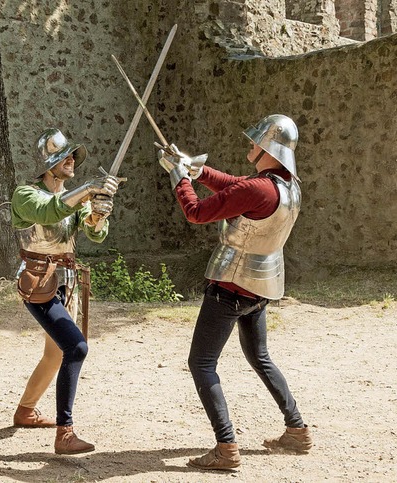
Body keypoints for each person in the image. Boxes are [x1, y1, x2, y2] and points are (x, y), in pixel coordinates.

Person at [158, 114, 312, 471]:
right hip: (261, 285)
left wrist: (179, 177)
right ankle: (297, 429)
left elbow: (196, 212)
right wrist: (199, 169)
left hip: (231, 286)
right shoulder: (288, 185)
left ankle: (225, 447)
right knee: (260, 357)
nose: (250, 145)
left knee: (201, 363)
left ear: (268, 149)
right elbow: (237, 185)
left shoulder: (258, 189)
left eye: (255, 142)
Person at [10, 128, 119, 455]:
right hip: (39, 281)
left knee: (54, 353)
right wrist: (89, 190)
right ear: (47, 163)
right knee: (76, 347)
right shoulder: (25, 195)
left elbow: (95, 234)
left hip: (67, 281)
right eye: (64, 156)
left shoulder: (75, 197)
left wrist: (99, 212)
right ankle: (65, 432)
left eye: (73, 155)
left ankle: (26, 411)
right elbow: (50, 210)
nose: (71, 160)